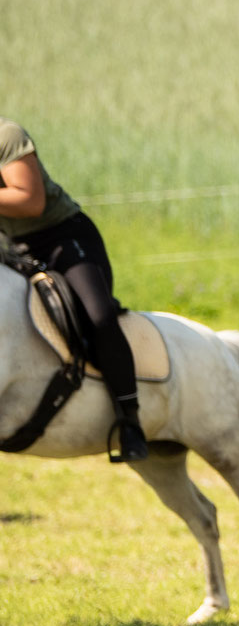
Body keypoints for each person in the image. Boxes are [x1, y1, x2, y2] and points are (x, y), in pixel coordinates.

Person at [0, 119, 150, 462]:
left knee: (98, 317)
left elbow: (29, 201)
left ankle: (129, 421)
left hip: (63, 239)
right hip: (11, 247)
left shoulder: (6, 135)